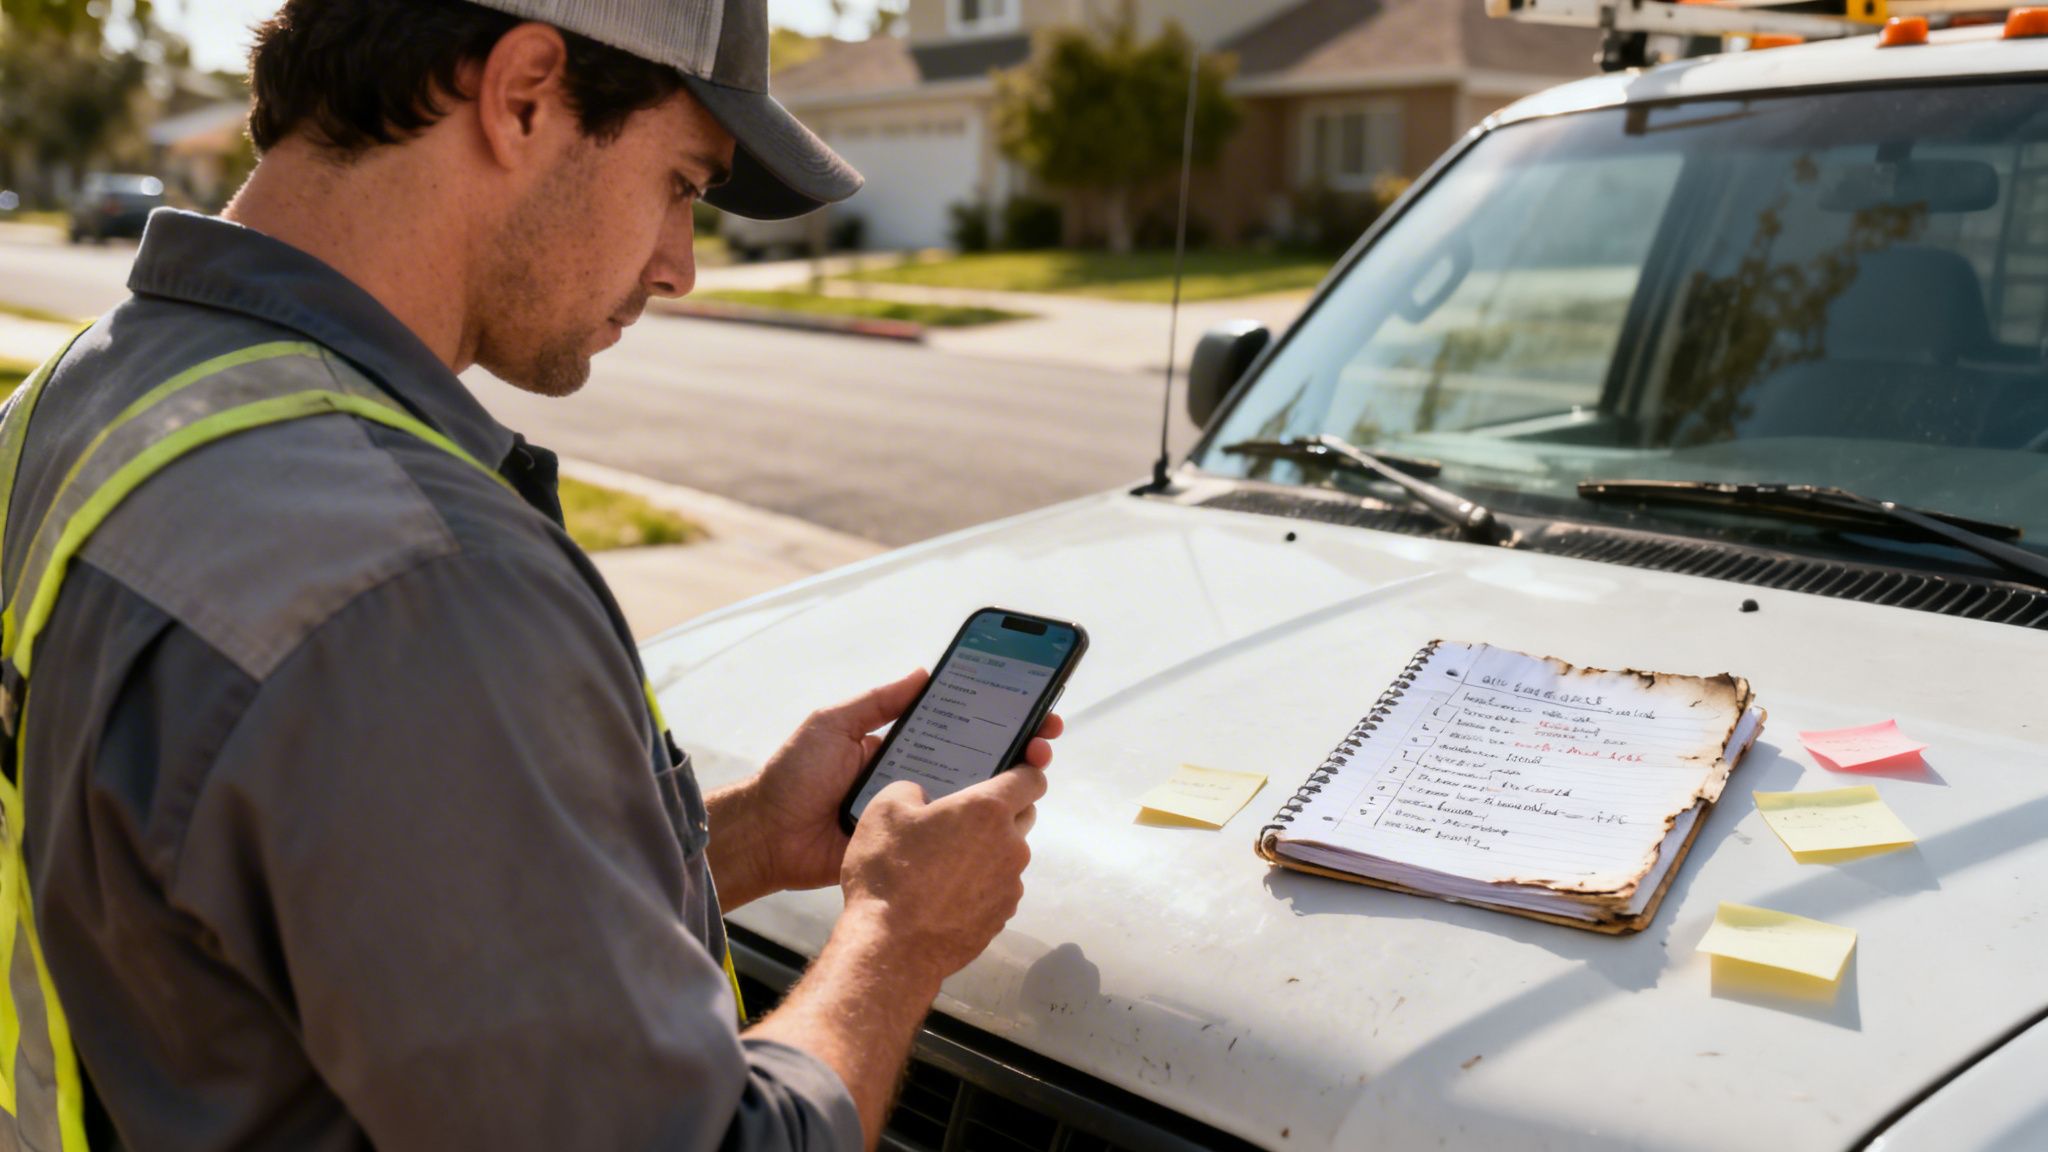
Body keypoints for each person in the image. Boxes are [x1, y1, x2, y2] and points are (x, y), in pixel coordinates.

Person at [0, 1, 1058, 1149]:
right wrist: (896, 934)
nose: (680, 267)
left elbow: (301, 884)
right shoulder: (414, 582)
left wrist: (745, 834)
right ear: (522, 95)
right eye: (682, 185)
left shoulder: (76, 398)